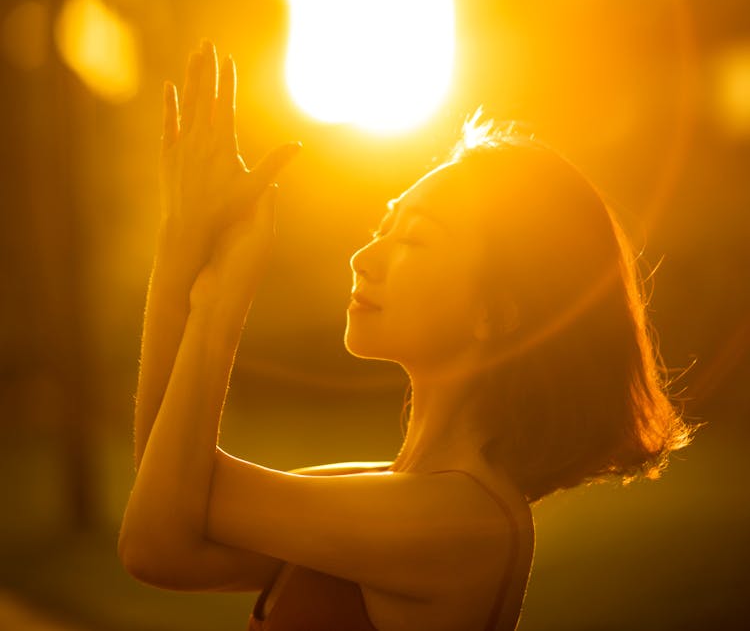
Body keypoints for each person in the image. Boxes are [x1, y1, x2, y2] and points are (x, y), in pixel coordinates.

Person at [119, 40, 693, 631]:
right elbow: (167, 524)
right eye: (382, 226)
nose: (365, 256)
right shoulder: (391, 492)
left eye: (413, 239)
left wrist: (223, 301)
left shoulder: (460, 523)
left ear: (495, 312)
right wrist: (180, 253)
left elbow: (152, 530)